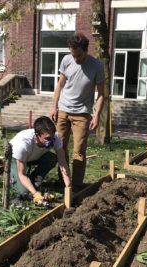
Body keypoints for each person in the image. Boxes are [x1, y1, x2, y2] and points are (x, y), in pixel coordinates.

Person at [50, 32, 105, 191]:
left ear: (86, 50)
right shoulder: (67, 60)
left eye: (79, 55)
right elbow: (60, 84)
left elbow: (101, 94)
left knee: (79, 152)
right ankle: (64, 183)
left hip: (82, 114)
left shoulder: (97, 66)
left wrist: (96, 116)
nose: (76, 59)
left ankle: (78, 186)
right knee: (60, 147)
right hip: (63, 111)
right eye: (73, 55)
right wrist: (54, 106)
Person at [9, 116, 71, 205]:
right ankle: (13, 179)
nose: (51, 141)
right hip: (16, 159)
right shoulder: (23, 144)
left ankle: (33, 180)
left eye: (52, 137)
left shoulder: (55, 137)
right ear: (37, 135)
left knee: (52, 158)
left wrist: (68, 186)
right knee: (24, 191)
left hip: (34, 156)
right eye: (47, 138)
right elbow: (22, 174)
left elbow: (63, 163)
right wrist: (35, 194)